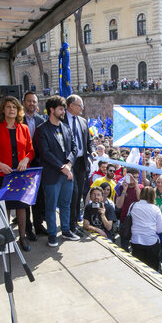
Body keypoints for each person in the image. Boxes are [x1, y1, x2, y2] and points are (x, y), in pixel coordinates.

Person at [0, 96, 35, 251]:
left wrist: (25, 160)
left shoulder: (24, 128)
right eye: (8, 107)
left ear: (18, 110)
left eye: (14, 107)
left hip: (20, 174)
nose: (11, 109)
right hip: (3, 174)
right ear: (3, 110)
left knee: (21, 207)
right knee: (4, 207)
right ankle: (6, 240)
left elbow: (31, 151)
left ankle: (23, 238)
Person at [35, 96, 78, 247]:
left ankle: (65, 230)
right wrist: (63, 167)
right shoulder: (42, 130)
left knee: (66, 204)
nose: (63, 112)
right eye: (61, 109)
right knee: (51, 206)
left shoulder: (66, 128)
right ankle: (52, 234)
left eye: (64, 109)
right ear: (51, 110)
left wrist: (69, 165)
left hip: (67, 174)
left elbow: (74, 148)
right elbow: (45, 153)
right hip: (52, 175)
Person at [63, 94, 94, 234]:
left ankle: (74, 222)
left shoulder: (83, 121)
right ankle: (70, 224)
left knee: (79, 192)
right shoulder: (61, 120)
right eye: (80, 105)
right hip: (68, 163)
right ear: (71, 106)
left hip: (81, 162)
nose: (82, 108)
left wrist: (92, 151)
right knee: (72, 194)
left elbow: (89, 140)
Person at [22, 91, 47, 239]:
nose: (31, 103)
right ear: (24, 103)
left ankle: (38, 225)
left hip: (38, 165)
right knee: (24, 198)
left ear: (37, 104)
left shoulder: (41, 121)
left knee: (38, 198)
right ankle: (27, 229)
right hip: (22, 165)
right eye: (29, 101)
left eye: (34, 101)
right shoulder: (18, 121)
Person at [129, 186, 162, 270]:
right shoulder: (156, 209)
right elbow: (160, 230)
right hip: (151, 242)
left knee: (137, 269)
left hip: (135, 240)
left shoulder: (133, 205)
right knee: (152, 270)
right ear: (153, 196)